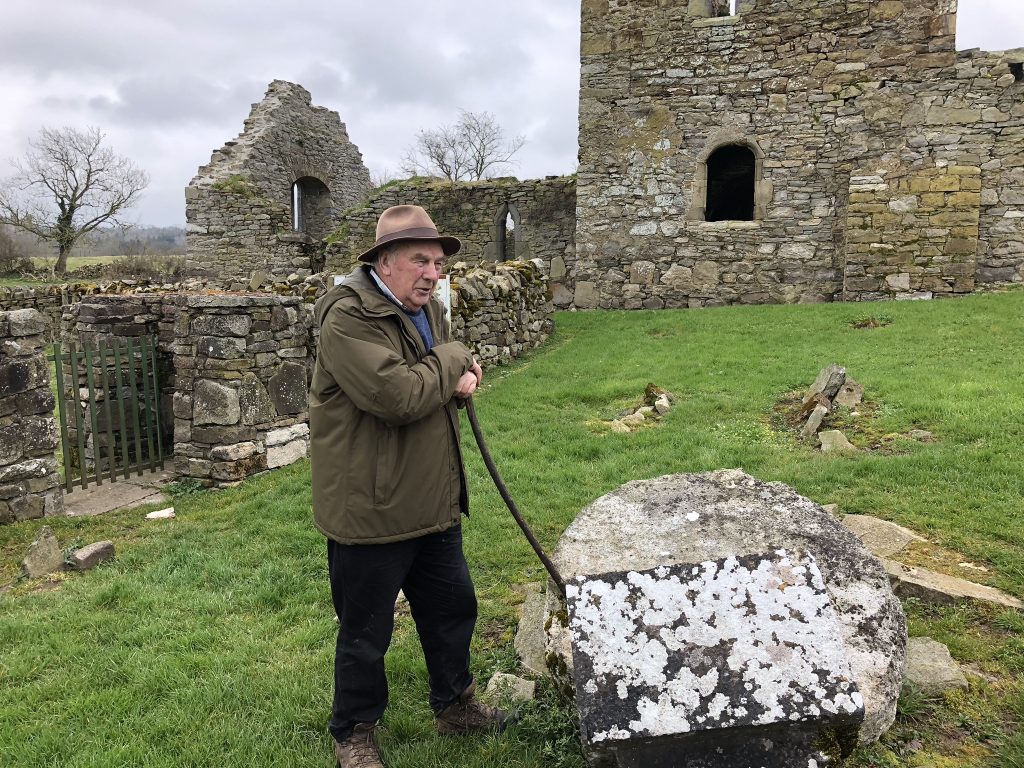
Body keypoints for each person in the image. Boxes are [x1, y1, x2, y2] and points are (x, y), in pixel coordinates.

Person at [309, 205, 509, 768]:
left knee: (453, 610)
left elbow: (428, 384)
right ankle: (354, 732)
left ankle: (455, 705)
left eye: (439, 262)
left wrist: (456, 378)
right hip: (371, 505)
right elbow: (395, 397)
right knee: (365, 631)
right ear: (383, 261)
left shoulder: (424, 309)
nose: (432, 273)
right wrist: (455, 359)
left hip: (432, 495)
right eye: (419, 260)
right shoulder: (347, 317)